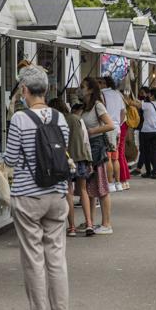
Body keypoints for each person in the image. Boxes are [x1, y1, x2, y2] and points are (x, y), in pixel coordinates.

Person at [4, 65, 71, 310]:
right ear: (46, 89)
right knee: (56, 257)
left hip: (28, 196)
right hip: (57, 194)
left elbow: (9, 160)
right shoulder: (60, 118)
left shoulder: (20, 119)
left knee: (33, 259)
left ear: (24, 90)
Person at [48, 98, 94, 237]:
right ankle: (89, 224)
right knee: (83, 190)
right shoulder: (76, 118)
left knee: (68, 191)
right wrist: (89, 160)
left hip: (66, 159)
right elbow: (85, 140)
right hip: (81, 157)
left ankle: (72, 227)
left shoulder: (55, 123)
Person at [80, 77, 115, 235]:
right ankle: (90, 221)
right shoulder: (85, 107)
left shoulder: (97, 106)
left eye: (83, 87)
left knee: (101, 187)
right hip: (87, 148)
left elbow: (110, 125)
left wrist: (91, 131)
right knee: (90, 187)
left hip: (97, 148)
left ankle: (106, 223)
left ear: (90, 90)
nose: (80, 89)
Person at [99, 76, 125, 192]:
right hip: (117, 128)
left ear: (104, 84)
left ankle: (110, 183)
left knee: (108, 157)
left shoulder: (101, 94)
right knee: (115, 157)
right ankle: (118, 183)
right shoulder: (118, 94)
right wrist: (118, 123)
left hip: (107, 127)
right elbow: (123, 112)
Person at [139, 88, 156, 179]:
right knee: (154, 152)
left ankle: (148, 172)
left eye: (149, 94)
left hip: (146, 131)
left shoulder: (146, 105)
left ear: (152, 96)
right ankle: (155, 173)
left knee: (146, 152)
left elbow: (134, 104)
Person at [131, 86, 151, 176]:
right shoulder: (148, 103)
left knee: (143, 149)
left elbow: (135, 104)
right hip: (143, 128)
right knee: (144, 149)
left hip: (143, 128)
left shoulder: (145, 104)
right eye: (140, 92)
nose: (140, 94)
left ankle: (139, 168)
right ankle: (145, 168)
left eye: (142, 93)